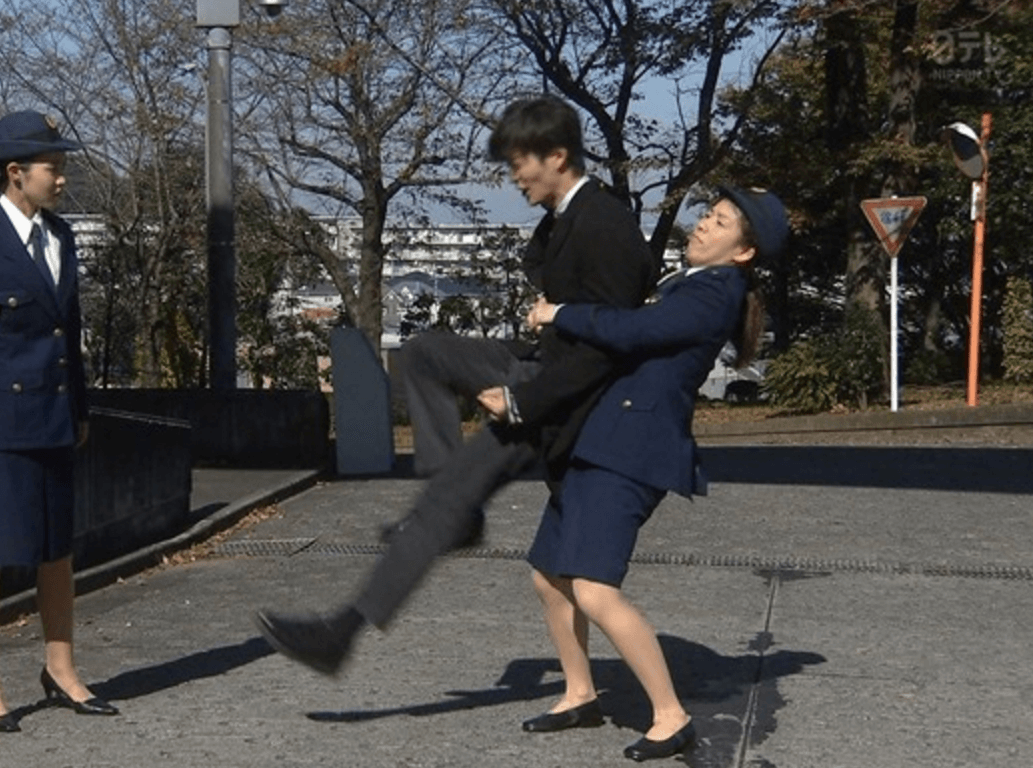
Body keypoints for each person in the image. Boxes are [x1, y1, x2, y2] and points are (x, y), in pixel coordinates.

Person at [256, 95, 659, 675]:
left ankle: (342, 630)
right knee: (422, 352)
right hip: (537, 366)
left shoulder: (605, 224)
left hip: (562, 402)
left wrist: (521, 400)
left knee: (440, 505)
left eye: (521, 162)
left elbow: (605, 351)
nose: (515, 176)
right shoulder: (569, 217)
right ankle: (454, 505)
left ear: (558, 155)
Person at [482, 186, 787, 762]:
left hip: (631, 451)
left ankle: (671, 717)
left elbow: (631, 333)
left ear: (743, 252)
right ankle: (579, 693)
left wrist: (559, 312)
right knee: (549, 576)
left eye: (719, 223)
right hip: (601, 443)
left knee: (595, 588)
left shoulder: (716, 293)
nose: (702, 226)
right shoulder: (692, 285)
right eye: (708, 216)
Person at [0, 110, 117, 732]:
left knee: (55, 553)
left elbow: (71, 337)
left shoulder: (61, 237)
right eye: (54, 168)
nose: (62, 178)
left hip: (52, 418)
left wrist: (80, 409)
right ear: (16, 174)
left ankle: (61, 669)